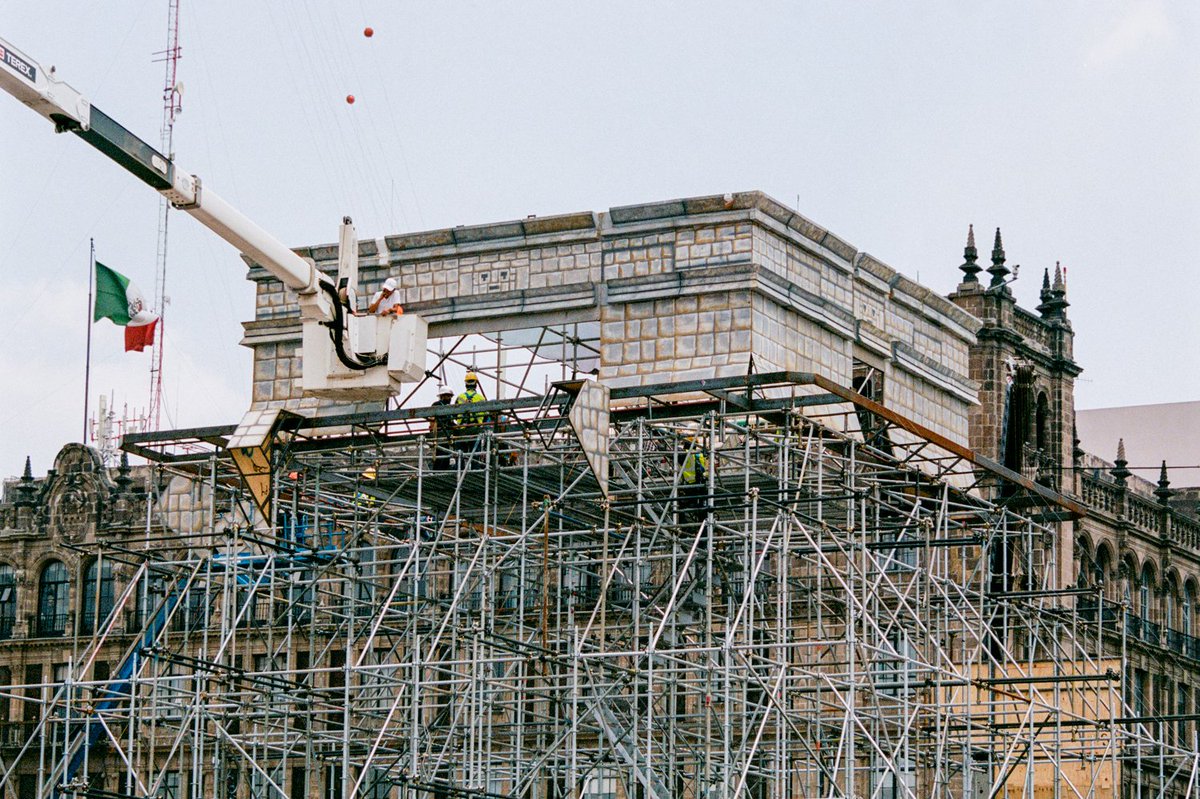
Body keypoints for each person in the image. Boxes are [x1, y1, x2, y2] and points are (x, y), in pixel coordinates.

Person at [454, 372, 488, 459]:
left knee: (460, 455)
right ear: (476, 384)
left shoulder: (460, 397)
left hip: (461, 431)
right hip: (475, 430)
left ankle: (460, 470)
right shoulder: (481, 398)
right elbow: (486, 416)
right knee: (475, 456)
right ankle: (474, 471)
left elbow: (453, 414)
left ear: (466, 384)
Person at [679, 435, 709, 527]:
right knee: (702, 510)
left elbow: (671, 452)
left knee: (679, 506)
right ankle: (703, 529)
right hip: (702, 485)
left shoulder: (685, 455)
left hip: (690, 487)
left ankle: (683, 526)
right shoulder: (700, 454)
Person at [430, 384, 456, 469]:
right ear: (442, 396)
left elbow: (451, 421)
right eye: (448, 396)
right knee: (440, 454)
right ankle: (437, 471)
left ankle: (442, 470)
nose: (449, 398)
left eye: (450, 396)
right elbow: (433, 420)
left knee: (446, 454)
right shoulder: (437, 405)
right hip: (439, 433)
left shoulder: (448, 407)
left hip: (447, 434)